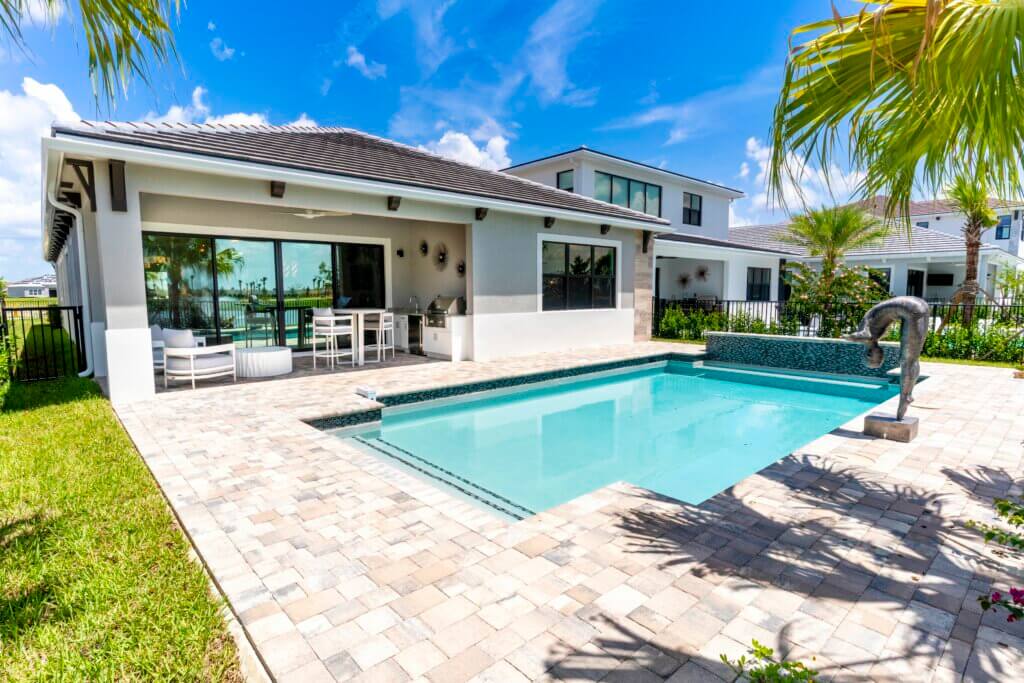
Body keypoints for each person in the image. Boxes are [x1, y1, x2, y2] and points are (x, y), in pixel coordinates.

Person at [844, 296, 930, 420]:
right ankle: (906, 395)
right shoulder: (872, 337)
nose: (880, 357)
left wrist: (848, 337)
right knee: (911, 359)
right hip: (916, 306)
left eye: (875, 360)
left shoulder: (865, 335)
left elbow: (860, 336)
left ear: (868, 354)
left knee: (908, 360)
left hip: (912, 309)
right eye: (880, 360)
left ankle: (905, 397)